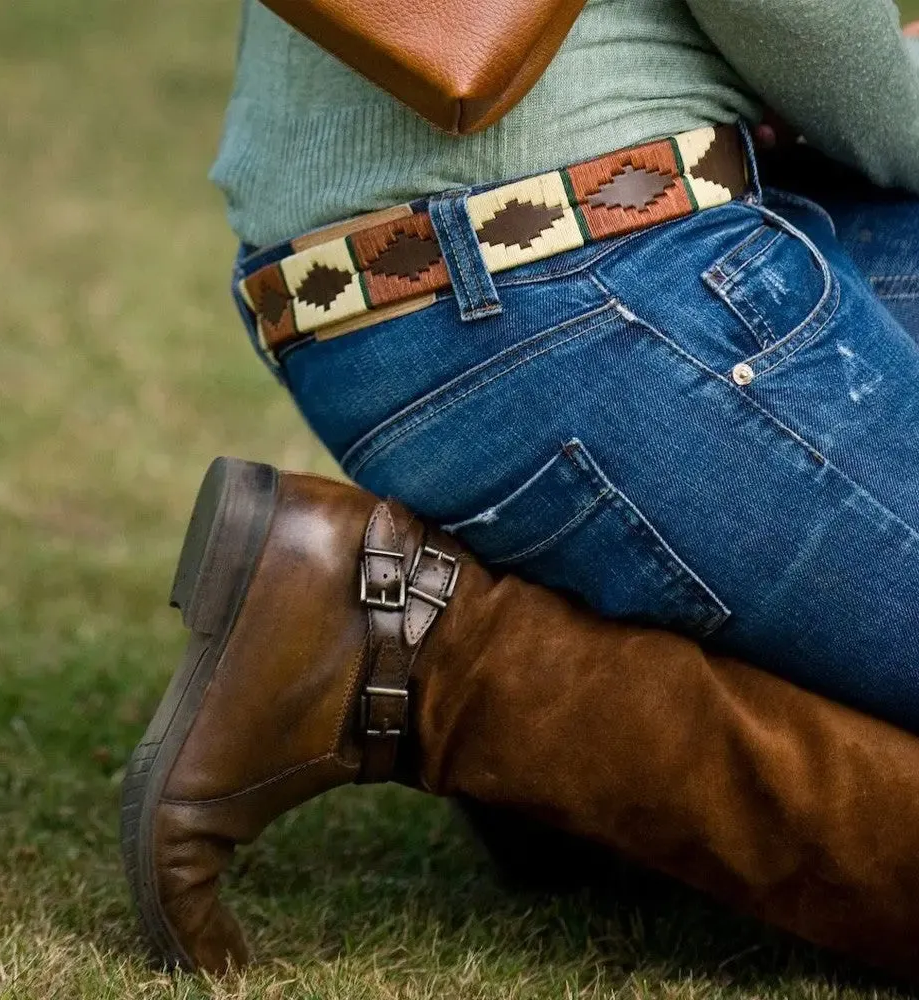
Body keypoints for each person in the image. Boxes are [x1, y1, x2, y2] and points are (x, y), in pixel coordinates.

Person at [120, 0, 919, 983]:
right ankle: (436, 660)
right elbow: (827, 51)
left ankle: (570, 749)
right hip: (575, 270)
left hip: (390, 291)